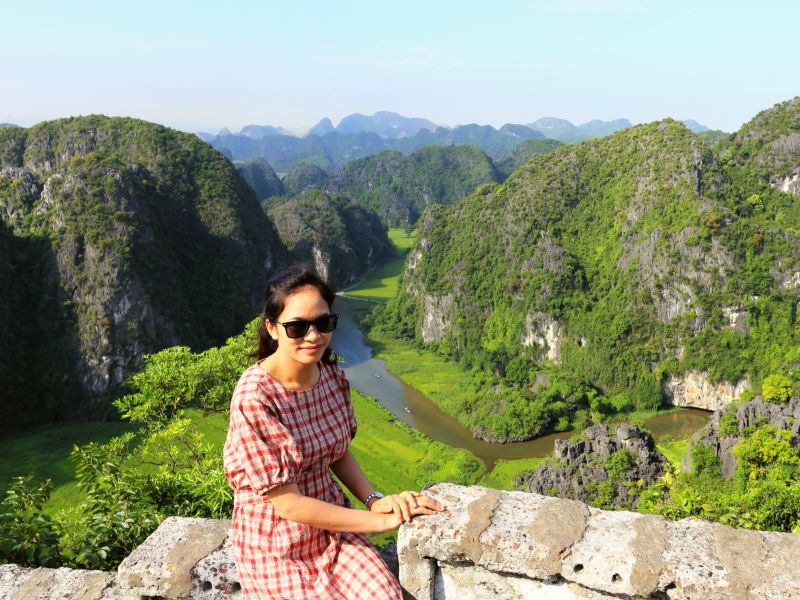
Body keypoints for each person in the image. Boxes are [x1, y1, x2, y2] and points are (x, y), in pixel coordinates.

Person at [223, 266, 444, 599]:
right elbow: (289, 506)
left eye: (323, 323)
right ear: (272, 328)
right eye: (297, 327)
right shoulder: (255, 397)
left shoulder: (331, 377)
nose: (313, 336)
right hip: (277, 542)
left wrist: (373, 500)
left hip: (331, 523)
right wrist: (380, 523)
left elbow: (337, 451)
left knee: (386, 595)